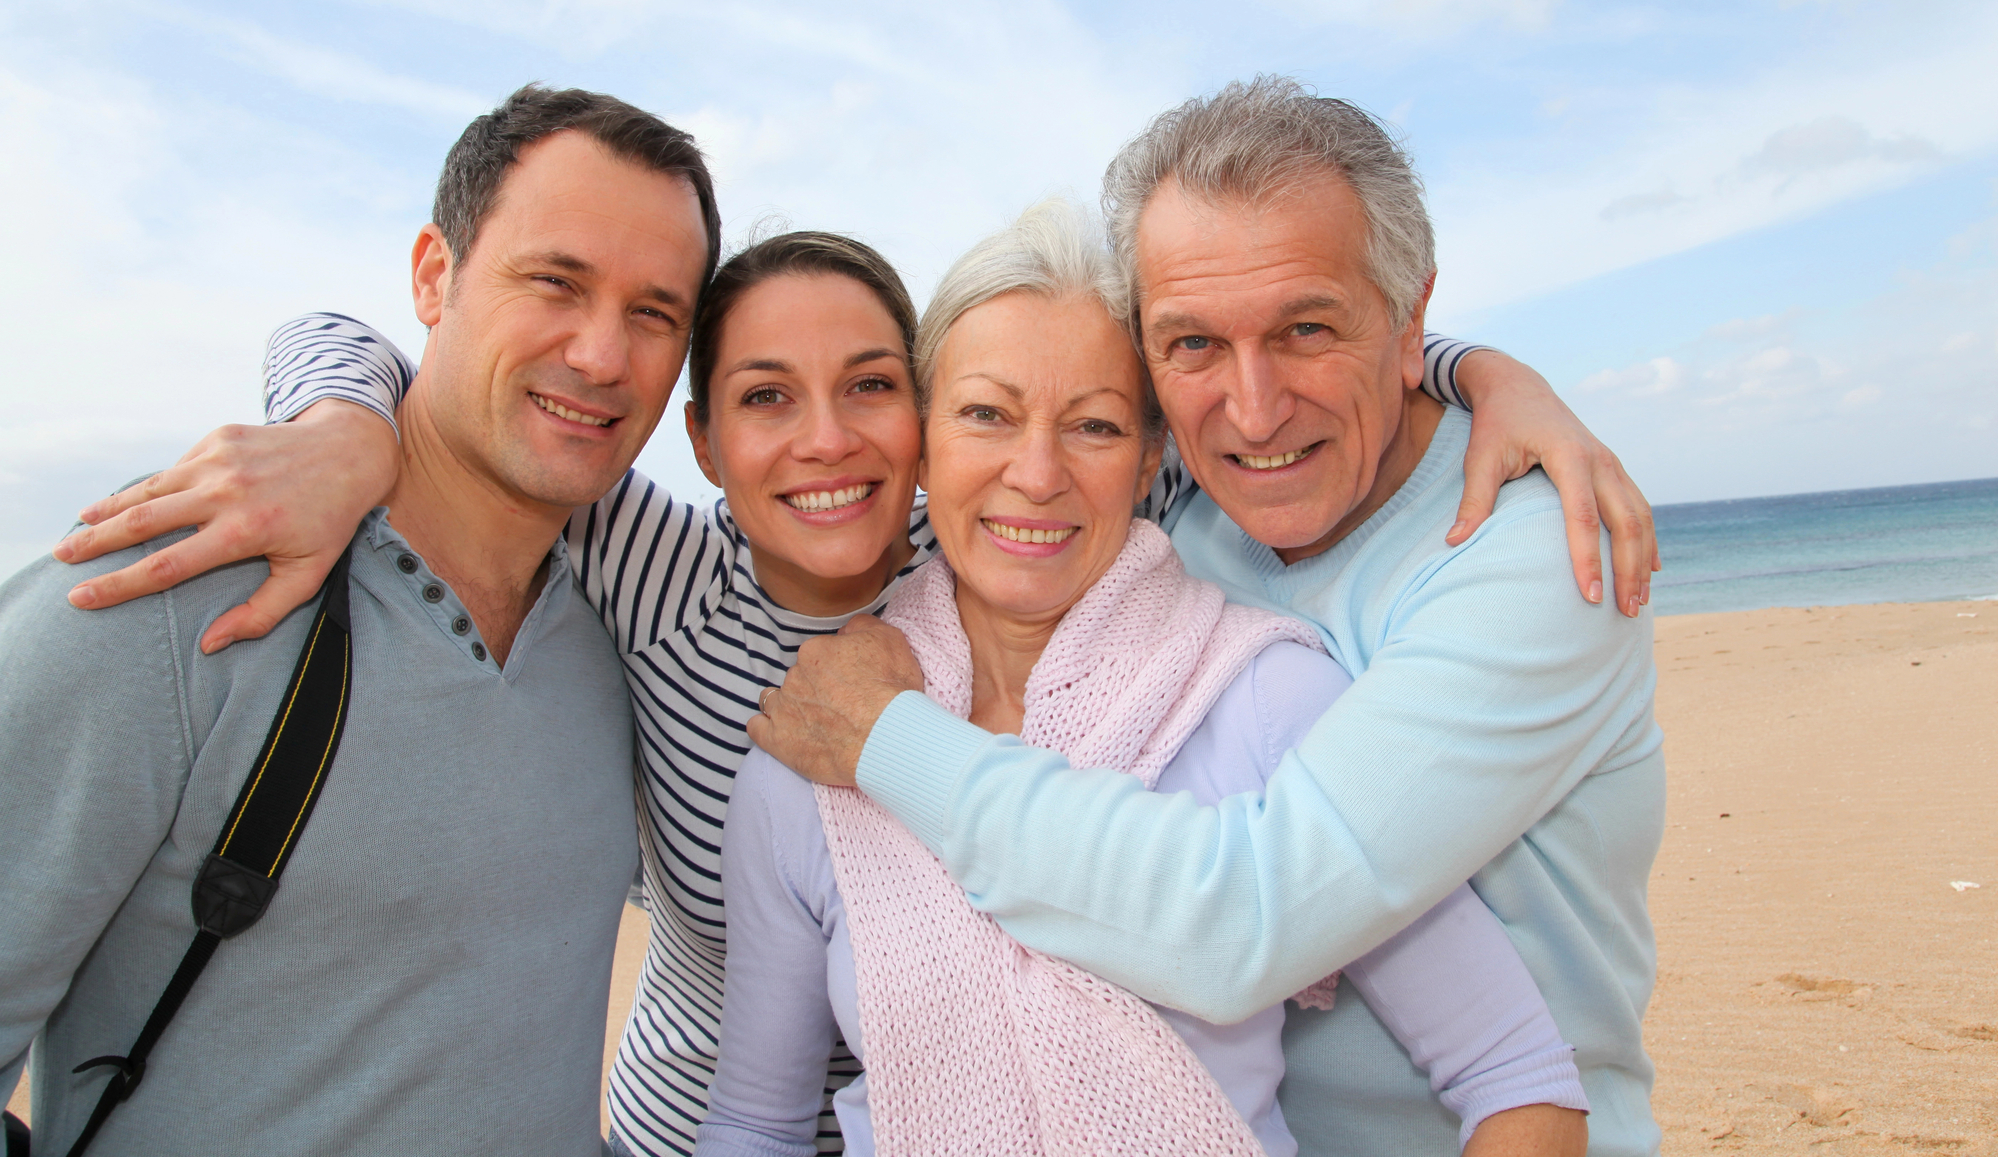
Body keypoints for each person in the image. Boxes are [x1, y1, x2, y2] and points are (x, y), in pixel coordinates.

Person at [55, 110, 1657, 1157]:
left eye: (872, 387)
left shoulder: (1158, 605)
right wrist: (345, 426)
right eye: (761, 397)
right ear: (693, 431)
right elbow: (467, 385)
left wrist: (1468, 370)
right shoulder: (654, 572)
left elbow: (1236, 369)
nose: (825, 440)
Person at [748, 79, 1667, 1157]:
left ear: (1407, 314)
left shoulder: (1536, 559)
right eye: (1191, 346)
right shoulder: (1199, 510)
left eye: (1306, 329)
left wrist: (890, 740)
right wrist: (1482, 368)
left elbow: (1244, 919)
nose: (1251, 405)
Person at [0, 84, 718, 1154]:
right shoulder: (167, 592)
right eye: (553, 281)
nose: (604, 355)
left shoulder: (624, 635)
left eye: (654, 312)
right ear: (435, 275)